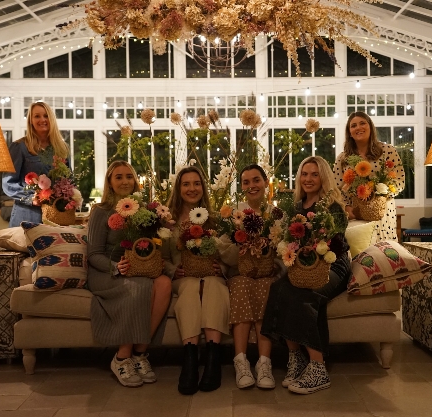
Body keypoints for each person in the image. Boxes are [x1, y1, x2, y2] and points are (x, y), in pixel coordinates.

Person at [261, 156, 351, 395]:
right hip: (302, 267)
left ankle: (318, 367)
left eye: (314, 174)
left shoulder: (332, 206)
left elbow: (336, 244)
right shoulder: (297, 206)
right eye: (304, 174)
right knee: (280, 289)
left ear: (323, 177)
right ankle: (296, 358)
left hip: (332, 267)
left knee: (302, 295)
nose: (308, 179)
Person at [87, 160, 172, 388]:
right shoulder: (100, 211)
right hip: (105, 271)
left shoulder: (143, 209)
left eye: (129, 176)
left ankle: (139, 354)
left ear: (135, 181)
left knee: (163, 284)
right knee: (141, 286)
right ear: (110, 182)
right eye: (119, 177)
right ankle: (121, 358)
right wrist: (116, 267)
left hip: (138, 269)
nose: (125, 181)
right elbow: (93, 254)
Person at [162, 166, 230, 395]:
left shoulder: (216, 219)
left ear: (203, 187)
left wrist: (219, 267)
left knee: (212, 285)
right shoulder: (167, 221)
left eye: (196, 183)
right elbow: (160, 258)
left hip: (211, 275)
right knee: (191, 287)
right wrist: (173, 270)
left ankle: (213, 358)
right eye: (186, 184)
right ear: (178, 188)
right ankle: (189, 359)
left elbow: (227, 255)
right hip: (182, 278)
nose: (192, 188)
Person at [226, 164, 286, 390]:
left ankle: (264, 363)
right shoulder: (234, 214)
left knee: (266, 287)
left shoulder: (277, 214)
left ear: (265, 182)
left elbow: (285, 250)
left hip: (269, 273)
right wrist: (241, 247)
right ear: (241, 186)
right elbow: (224, 252)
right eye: (246, 182)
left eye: (256, 180)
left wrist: (268, 257)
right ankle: (241, 361)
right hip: (241, 272)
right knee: (240, 285)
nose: (251, 186)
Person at [333, 111, 405, 242]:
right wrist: (346, 208)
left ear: (370, 127)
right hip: (355, 216)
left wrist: (380, 193)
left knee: (385, 255)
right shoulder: (342, 159)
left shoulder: (388, 151)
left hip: (383, 214)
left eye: (362, 123)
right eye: (353, 125)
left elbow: (399, 182)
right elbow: (336, 190)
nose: (358, 128)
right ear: (349, 132)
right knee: (360, 255)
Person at [2, 101, 69, 227]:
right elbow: (8, 183)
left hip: (54, 217)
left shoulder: (61, 148)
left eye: (46, 116)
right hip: (26, 216)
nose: (42, 119)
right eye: (37, 116)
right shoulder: (19, 147)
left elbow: (69, 180)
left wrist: (70, 198)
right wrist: (31, 198)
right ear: (30, 121)